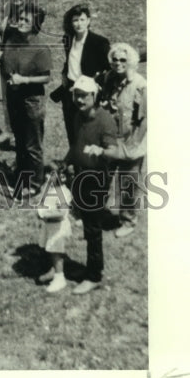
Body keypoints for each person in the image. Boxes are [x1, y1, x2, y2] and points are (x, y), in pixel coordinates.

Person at [63, 75, 117, 294]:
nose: (79, 99)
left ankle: (94, 276)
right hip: (80, 176)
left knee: (93, 228)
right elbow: (76, 144)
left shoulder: (105, 120)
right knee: (86, 223)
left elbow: (114, 152)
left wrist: (101, 151)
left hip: (97, 179)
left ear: (95, 96)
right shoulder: (78, 115)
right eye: (76, 95)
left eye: (84, 95)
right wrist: (67, 162)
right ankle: (89, 269)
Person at [0, 3, 52, 197]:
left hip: (32, 100)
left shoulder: (40, 47)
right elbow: (5, 68)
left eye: (26, 20)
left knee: (32, 144)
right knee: (19, 141)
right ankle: (20, 175)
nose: (21, 22)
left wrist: (25, 79)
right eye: (20, 18)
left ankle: (35, 183)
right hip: (14, 97)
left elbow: (46, 77)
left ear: (35, 24)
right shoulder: (11, 40)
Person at [99, 42, 147, 239]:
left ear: (132, 62)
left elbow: (146, 119)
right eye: (115, 59)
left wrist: (134, 144)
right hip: (111, 138)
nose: (118, 63)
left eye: (123, 60)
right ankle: (99, 211)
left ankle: (128, 221)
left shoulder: (140, 85)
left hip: (130, 141)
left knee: (128, 183)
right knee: (103, 176)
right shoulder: (110, 78)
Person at [0, 0, 46, 145]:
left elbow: (25, 41)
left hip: (22, 64)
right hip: (5, 62)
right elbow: (2, 29)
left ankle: (22, 137)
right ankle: (9, 131)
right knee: (6, 98)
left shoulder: (34, 13)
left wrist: (4, 54)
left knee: (21, 101)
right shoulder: (8, 8)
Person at [58, 4, 110, 145]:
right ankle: (76, 164)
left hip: (88, 93)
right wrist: (64, 74)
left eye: (82, 19)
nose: (79, 24)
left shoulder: (99, 42)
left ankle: (92, 164)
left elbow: (108, 70)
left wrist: (93, 84)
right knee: (72, 130)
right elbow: (70, 60)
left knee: (88, 131)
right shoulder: (68, 39)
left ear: (88, 20)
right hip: (69, 91)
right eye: (75, 20)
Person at [35, 167, 73, 294]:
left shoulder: (63, 192)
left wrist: (44, 214)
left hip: (58, 228)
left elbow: (61, 212)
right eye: (46, 173)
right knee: (51, 249)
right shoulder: (49, 189)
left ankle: (59, 277)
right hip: (49, 226)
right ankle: (53, 270)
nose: (47, 177)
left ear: (62, 177)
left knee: (56, 252)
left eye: (51, 175)